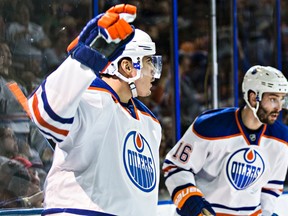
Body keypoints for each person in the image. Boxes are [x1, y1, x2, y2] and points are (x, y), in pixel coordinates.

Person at [27, 4, 162, 216]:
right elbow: (44, 114)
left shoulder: (150, 122)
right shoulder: (89, 96)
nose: (154, 71)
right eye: (148, 61)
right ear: (128, 66)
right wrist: (84, 59)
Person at [162, 65, 288, 216]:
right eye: (273, 99)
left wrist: (266, 213)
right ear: (253, 98)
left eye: (282, 100)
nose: (279, 107)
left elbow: (270, 189)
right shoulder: (210, 126)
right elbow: (175, 166)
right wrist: (192, 201)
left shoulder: (281, 139)